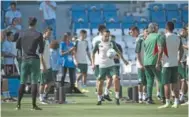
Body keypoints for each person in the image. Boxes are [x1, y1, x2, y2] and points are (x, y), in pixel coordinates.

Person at [92, 30, 128, 105]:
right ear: (102, 35)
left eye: (108, 36)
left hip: (111, 65)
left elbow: (118, 52)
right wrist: (93, 63)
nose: (107, 37)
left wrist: (124, 60)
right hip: (102, 66)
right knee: (100, 82)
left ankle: (117, 97)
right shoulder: (98, 43)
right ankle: (99, 99)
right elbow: (93, 53)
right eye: (105, 36)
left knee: (116, 78)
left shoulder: (112, 43)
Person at [16, 17, 44, 110]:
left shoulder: (22, 33)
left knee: (22, 82)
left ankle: (18, 104)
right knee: (34, 82)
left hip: (24, 59)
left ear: (28, 23)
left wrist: (21, 57)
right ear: (35, 23)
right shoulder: (39, 34)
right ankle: (33, 105)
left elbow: (18, 47)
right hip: (34, 60)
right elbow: (41, 49)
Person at [158, 22, 183, 109]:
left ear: (166, 28)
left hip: (166, 64)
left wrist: (157, 62)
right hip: (175, 63)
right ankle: (176, 102)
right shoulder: (178, 37)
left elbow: (160, 51)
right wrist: (179, 60)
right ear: (173, 28)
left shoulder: (163, 37)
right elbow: (182, 50)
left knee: (166, 84)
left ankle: (167, 102)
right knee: (175, 83)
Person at [143, 23, 165, 104]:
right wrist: (158, 62)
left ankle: (149, 98)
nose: (158, 28)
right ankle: (163, 98)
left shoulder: (146, 37)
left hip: (146, 61)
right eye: (157, 27)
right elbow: (160, 49)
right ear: (154, 28)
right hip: (154, 61)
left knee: (149, 80)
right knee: (161, 79)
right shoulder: (158, 36)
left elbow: (145, 50)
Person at [130, 26, 147, 103]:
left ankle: (143, 96)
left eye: (131, 32)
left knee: (144, 81)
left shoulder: (140, 38)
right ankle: (141, 97)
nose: (130, 34)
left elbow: (138, 53)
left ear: (136, 31)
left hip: (143, 62)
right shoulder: (139, 38)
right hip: (142, 63)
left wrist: (140, 63)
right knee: (141, 81)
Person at [39, 27, 54, 104]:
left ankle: (44, 96)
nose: (50, 34)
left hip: (49, 65)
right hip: (43, 66)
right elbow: (40, 55)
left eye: (51, 33)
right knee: (42, 83)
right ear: (45, 32)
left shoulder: (48, 40)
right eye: (49, 33)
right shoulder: (42, 41)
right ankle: (41, 98)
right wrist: (43, 66)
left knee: (51, 82)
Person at [178, 27, 188, 103]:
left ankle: (182, 96)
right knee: (182, 79)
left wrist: (182, 45)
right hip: (181, 60)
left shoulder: (186, 38)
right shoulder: (179, 38)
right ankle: (180, 96)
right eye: (183, 31)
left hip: (185, 60)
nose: (183, 32)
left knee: (184, 79)